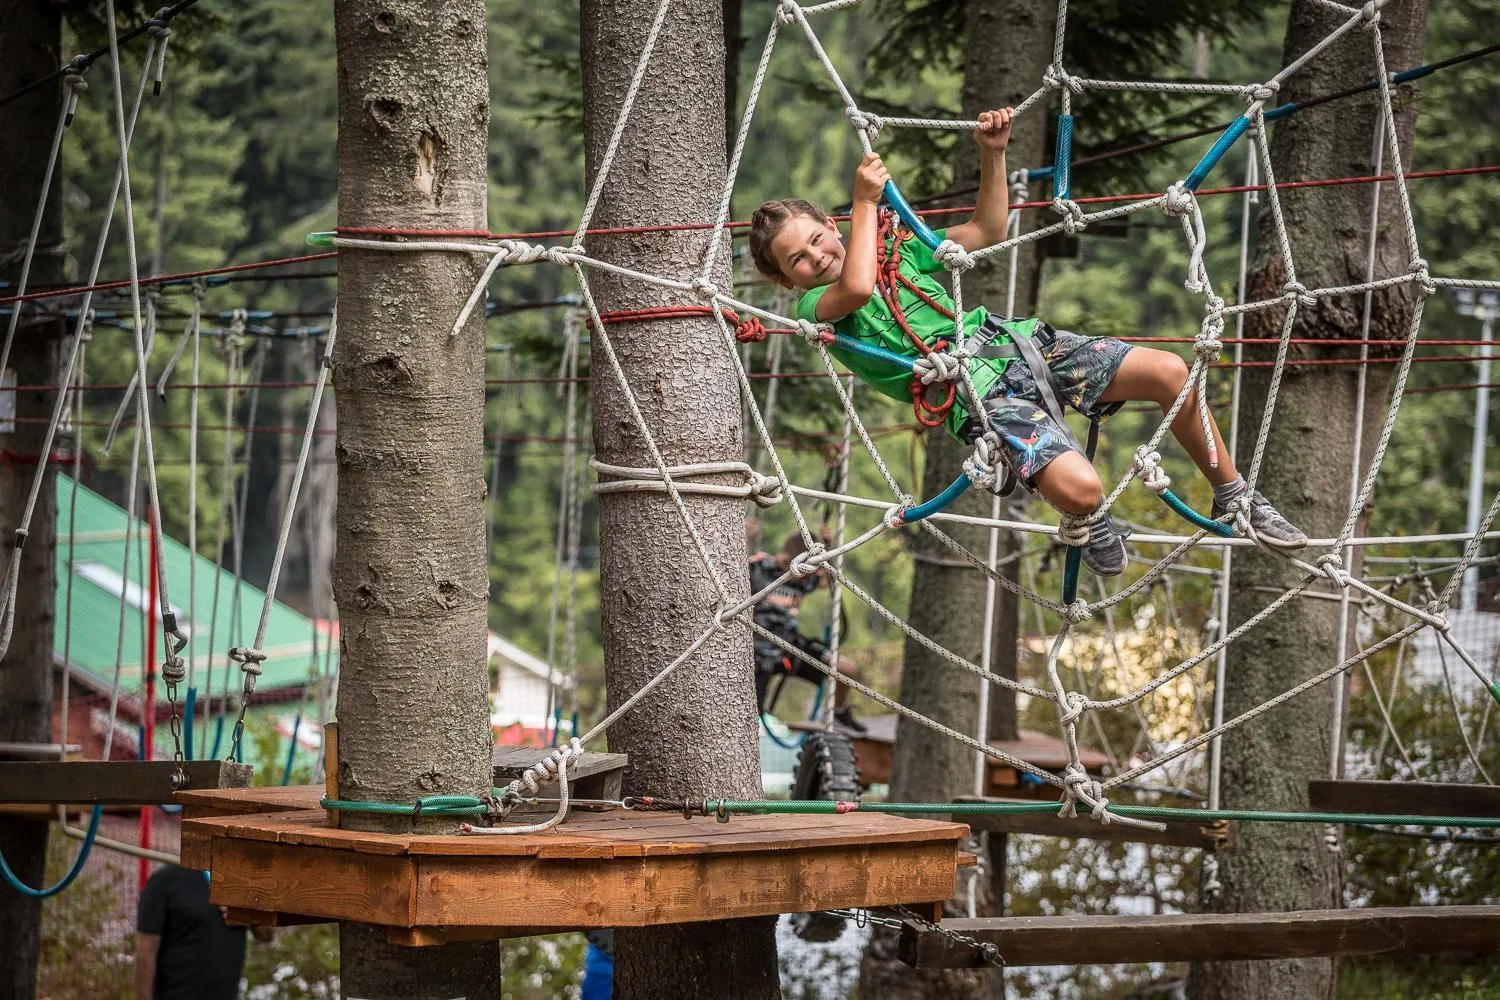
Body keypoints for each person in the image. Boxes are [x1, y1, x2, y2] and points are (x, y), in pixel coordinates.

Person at [747, 107, 1307, 576]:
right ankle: (1083, 518)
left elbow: (988, 230)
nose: (817, 255)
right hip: (981, 397)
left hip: (1019, 347)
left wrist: (994, 154)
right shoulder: (815, 309)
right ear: (786, 279)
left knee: (1169, 372)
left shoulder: (897, 247)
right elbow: (858, 285)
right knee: (1084, 492)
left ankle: (1234, 496)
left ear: (830, 224)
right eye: (800, 258)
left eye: (818, 237)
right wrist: (865, 203)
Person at [750, 531, 866, 733]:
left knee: (845, 670)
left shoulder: (805, 578)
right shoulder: (757, 568)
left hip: (788, 647)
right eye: (805, 575)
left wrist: (826, 547)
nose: (805, 581)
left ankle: (837, 714)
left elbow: (824, 581)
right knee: (752, 714)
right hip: (756, 652)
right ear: (787, 561)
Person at [135, 863, 272, 1000]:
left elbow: (267, 934)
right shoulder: (166, 879)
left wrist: (251, 913)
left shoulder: (242, 880)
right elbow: (146, 949)